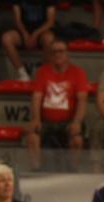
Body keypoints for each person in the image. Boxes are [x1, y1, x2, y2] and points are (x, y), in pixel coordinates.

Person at [27, 40, 88, 170]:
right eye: (54, 52)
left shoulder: (78, 72)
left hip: (69, 121)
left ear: (67, 54)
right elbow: (36, 97)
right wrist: (36, 119)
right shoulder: (42, 72)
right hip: (46, 121)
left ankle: (73, 171)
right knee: (32, 136)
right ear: (49, 55)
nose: (57, 55)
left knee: (77, 140)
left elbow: (82, 100)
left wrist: (77, 121)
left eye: (61, 51)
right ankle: (35, 171)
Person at [1, 0, 57, 83]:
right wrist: (25, 34)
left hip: (41, 31)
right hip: (23, 30)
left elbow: (50, 21)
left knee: (49, 39)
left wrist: (35, 34)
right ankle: (22, 73)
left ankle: (43, 72)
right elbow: (17, 19)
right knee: (6, 38)